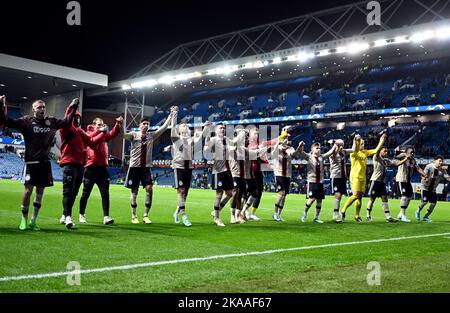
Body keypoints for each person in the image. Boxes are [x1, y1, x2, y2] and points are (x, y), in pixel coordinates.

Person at [0, 95, 78, 230]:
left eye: (43, 107)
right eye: (39, 107)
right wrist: (2, 105)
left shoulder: (51, 121)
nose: (42, 109)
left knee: (40, 193)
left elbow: (66, 122)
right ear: (33, 109)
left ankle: (33, 220)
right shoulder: (26, 121)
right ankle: (23, 220)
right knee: (28, 191)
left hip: (45, 163)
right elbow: (6, 121)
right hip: (31, 163)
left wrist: (73, 107)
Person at [123, 107, 176, 224]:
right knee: (134, 191)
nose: (146, 125)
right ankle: (134, 215)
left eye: (147, 124)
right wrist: (121, 123)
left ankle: (146, 215)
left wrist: (171, 115)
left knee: (149, 188)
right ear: (140, 125)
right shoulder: (133, 135)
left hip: (146, 167)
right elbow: (123, 135)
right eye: (144, 123)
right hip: (134, 167)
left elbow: (164, 128)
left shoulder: (151, 136)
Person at [58, 105, 105, 229]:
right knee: (68, 191)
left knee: (73, 192)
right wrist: (71, 107)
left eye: (79, 118)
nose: (78, 120)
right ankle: (68, 216)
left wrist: (100, 133)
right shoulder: (66, 128)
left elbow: (90, 140)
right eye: (75, 117)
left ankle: (65, 215)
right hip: (69, 163)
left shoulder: (79, 131)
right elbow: (67, 118)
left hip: (80, 165)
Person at [79, 116, 123, 225]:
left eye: (102, 125)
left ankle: (106, 217)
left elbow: (113, 134)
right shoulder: (88, 133)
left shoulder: (103, 135)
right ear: (93, 126)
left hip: (102, 169)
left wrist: (118, 123)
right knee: (86, 193)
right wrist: (101, 132)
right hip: (90, 168)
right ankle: (81, 214)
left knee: (105, 194)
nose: (101, 127)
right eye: (98, 125)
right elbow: (93, 142)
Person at [170, 109, 211, 226]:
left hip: (189, 167)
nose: (185, 126)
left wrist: (206, 127)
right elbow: (173, 126)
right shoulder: (176, 138)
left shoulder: (191, 139)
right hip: (179, 167)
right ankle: (184, 216)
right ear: (179, 129)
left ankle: (176, 212)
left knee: (185, 194)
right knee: (181, 191)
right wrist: (174, 114)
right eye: (182, 125)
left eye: (186, 125)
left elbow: (201, 136)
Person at [338, 132, 386, 223]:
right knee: (356, 195)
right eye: (361, 143)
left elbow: (376, 151)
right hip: (355, 176)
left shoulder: (365, 152)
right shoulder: (354, 153)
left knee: (359, 197)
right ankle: (343, 210)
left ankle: (357, 215)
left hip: (363, 177)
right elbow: (355, 148)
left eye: (363, 143)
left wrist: (381, 141)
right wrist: (357, 140)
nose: (363, 145)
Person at [366, 147, 408, 222]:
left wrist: (405, 159)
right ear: (380, 152)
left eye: (387, 151)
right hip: (375, 181)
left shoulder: (386, 160)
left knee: (385, 198)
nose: (386, 152)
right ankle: (368, 214)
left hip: (382, 182)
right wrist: (381, 142)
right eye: (384, 151)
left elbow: (397, 164)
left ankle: (388, 217)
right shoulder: (376, 157)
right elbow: (377, 150)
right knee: (372, 199)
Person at [204, 123, 235, 227]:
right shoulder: (213, 140)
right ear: (216, 130)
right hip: (218, 170)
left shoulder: (227, 139)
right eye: (220, 128)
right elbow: (206, 148)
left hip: (228, 170)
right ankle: (217, 218)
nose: (222, 129)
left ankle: (216, 211)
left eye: (223, 128)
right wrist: (207, 129)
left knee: (230, 193)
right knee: (219, 194)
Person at [298, 141, 337, 223]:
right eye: (317, 148)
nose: (319, 149)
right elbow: (301, 152)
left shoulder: (321, 157)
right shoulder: (309, 157)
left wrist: (335, 145)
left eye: (319, 148)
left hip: (320, 182)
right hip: (312, 181)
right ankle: (304, 213)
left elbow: (330, 153)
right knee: (311, 200)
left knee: (319, 200)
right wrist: (301, 145)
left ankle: (316, 217)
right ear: (312, 149)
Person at [270, 135, 302, 222]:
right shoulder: (278, 147)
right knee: (282, 193)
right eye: (285, 138)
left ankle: (279, 214)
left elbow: (294, 154)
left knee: (285, 195)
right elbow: (273, 153)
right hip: (279, 173)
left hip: (287, 174)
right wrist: (279, 141)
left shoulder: (290, 148)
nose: (286, 140)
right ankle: (275, 213)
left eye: (287, 139)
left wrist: (299, 147)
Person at [394, 147, 427, 222]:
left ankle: (400, 213)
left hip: (408, 181)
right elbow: (396, 156)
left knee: (409, 197)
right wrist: (405, 155)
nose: (412, 153)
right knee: (404, 197)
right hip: (401, 179)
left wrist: (425, 175)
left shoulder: (413, 160)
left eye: (413, 152)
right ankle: (403, 215)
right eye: (411, 152)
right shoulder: (402, 156)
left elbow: (418, 169)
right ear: (406, 152)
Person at [416, 155, 450, 222]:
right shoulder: (429, 166)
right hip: (425, 187)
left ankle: (425, 217)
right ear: (435, 160)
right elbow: (423, 174)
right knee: (424, 202)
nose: (441, 162)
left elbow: (447, 177)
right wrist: (425, 178)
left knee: (433, 203)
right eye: (439, 161)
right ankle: (418, 211)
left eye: (442, 161)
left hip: (433, 189)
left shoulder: (442, 170)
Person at [328, 138, 355, 221]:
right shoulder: (332, 153)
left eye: (342, 145)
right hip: (335, 176)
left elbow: (353, 149)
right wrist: (335, 146)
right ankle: (335, 215)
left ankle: (337, 213)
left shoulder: (343, 152)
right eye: (340, 145)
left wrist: (354, 140)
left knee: (340, 196)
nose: (341, 147)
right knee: (338, 195)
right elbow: (333, 152)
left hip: (343, 177)